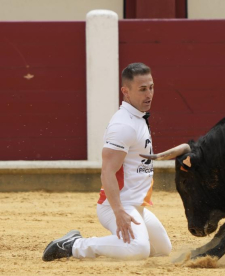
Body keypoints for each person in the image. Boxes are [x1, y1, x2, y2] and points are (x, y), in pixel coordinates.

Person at [42, 62, 172, 261]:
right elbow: (107, 172)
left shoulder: (138, 118)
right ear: (125, 91)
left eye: (151, 87)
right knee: (139, 249)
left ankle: (120, 243)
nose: (149, 94)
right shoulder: (123, 125)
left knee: (163, 248)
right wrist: (118, 211)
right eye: (142, 89)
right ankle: (74, 245)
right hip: (118, 205)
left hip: (136, 205)